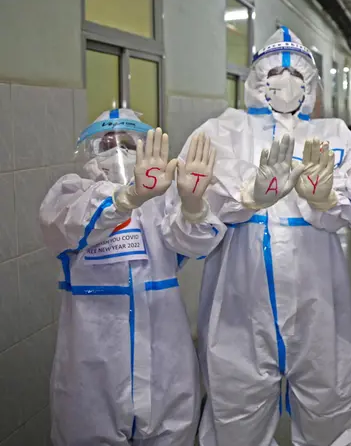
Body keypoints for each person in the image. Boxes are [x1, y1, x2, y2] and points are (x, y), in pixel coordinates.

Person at [177, 26, 351, 446]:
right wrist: (243, 199)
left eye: (296, 74)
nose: (286, 82)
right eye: (275, 73)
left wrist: (329, 199)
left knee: (330, 410)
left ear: (311, 85)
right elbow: (190, 232)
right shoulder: (221, 132)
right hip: (239, 309)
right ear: (256, 80)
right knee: (235, 417)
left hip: (320, 306)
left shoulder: (334, 135)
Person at [40, 108, 225, 445]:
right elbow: (68, 225)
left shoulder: (162, 205)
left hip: (165, 365)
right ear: (90, 150)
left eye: (126, 144)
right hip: (93, 369)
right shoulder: (73, 193)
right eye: (106, 144)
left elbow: (198, 242)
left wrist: (192, 204)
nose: (116, 151)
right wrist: (128, 198)